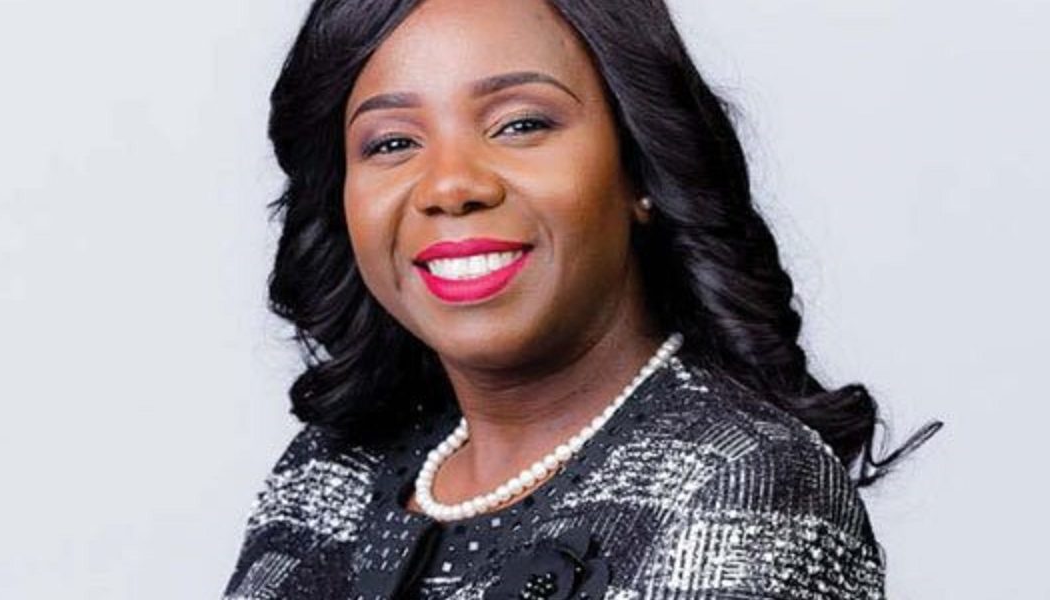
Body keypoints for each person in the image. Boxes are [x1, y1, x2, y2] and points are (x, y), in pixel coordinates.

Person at [222, 0, 943, 598]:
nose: (450, 185)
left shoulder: (748, 479)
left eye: (520, 124)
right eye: (390, 143)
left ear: (641, 168)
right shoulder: (331, 470)